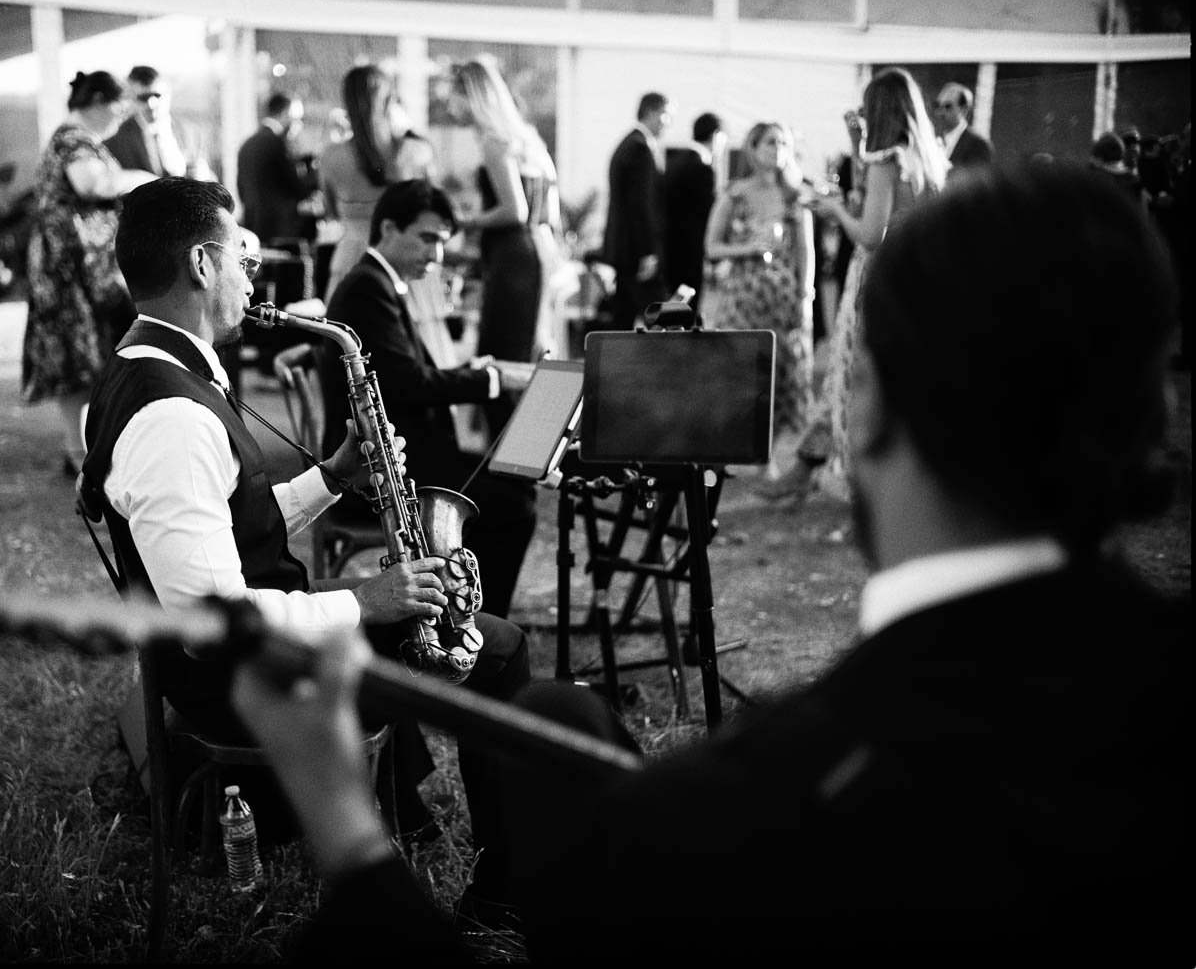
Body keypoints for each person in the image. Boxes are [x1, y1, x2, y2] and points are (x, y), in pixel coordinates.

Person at [232, 164, 1191, 965]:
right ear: (1154, 415)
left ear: (872, 418)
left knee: (561, 719)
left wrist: (345, 831)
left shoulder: (754, 814)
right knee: (563, 715)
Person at [76, 176, 531, 923]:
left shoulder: (141, 370)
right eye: (243, 263)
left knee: (390, 595)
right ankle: (504, 893)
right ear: (200, 265)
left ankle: (403, 802)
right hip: (237, 683)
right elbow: (211, 619)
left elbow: (232, 527)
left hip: (237, 652)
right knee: (501, 648)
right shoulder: (172, 420)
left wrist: (332, 477)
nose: (253, 282)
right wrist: (363, 602)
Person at [318, 180, 538, 621]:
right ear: (388, 228)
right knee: (514, 507)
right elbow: (412, 385)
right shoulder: (367, 287)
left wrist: (486, 373)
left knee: (514, 488)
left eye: (443, 242)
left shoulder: (379, 282)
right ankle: (482, 627)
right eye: (428, 239)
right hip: (377, 472)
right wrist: (493, 378)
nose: (437, 256)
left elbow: (411, 377)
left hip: (401, 455)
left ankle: (471, 619)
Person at [760, 66, 948, 503]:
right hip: (917, 285)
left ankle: (864, 488)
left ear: (880, 109)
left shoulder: (889, 161)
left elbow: (869, 234)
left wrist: (833, 211)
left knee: (856, 384)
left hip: (878, 284)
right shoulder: (928, 161)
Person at [21, 70, 158, 475]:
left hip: (81, 268)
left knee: (90, 357)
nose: (123, 114)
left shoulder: (80, 139)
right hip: (68, 269)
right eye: (119, 104)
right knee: (74, 359)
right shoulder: (73, 141)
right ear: (98, 101)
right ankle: (78, 453)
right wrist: (143, 180)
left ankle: (84, 450)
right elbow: (91, 185)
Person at [448, 58, 562, 437]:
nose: (450, 107)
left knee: (502, 356)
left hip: (513, 259)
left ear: (470, 96)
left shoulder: (495, 142)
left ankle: (510, 455)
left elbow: (516, 209)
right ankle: (536, 444)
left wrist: (467, 221)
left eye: (453, 97)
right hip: (534, 253)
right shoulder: (526, 139)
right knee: (533, 351)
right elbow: (549, 213)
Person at [702, 121, 815, 444]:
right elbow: (711, 248)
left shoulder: (795, 198)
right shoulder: (735, 194)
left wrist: (805, 297)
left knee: (783, 374)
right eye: (770, 142)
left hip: (782, 298)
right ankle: (736, 444)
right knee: (739, 371)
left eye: (783, 143)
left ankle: (769, 452)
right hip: (742, 297)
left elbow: (806, 252)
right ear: (752, 148)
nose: (777, 149)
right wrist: (747, 248)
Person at [317, 65, 435, 303]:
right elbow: (432, 211)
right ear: (390, 100)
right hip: (406, 261)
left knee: (350, 335)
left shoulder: (331, 157)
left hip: (352, 260)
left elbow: (331, 213)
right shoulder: (417, 152)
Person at [602, 92, 670, 328]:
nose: (668, 122)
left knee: (622, 318)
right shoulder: (639, 147)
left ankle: (613, 363)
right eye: (666, 115)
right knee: (662, 321)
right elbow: (641, 205)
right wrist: (648, 252)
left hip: (625, 251)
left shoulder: (629, 143)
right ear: (652, 111)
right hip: (635, 253)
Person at [237, 92, 315, 245]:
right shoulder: (277, 143)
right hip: (280, 229)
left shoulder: (247, 144)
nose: (297, 123)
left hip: (253, 223)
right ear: (285, 113)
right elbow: (296, 187)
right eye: (296, 118)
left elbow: (241, 188)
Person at [664, 111, 724, 311]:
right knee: (686, 311)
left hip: (670, 251)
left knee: (674, 307)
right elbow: (709, 214)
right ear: (715, 136)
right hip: (690, 253)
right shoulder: (701, 168)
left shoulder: (675, 162)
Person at [102, 65, 188, 179]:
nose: (151, 105)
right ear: (130, 99)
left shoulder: (189, 131)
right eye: (143, 98)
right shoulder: (115, 139)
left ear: (169, 94)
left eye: (157, 95)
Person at [933, 81, 993, 177]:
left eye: (947, 106)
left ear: (963, 110)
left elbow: (979, 186)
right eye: (937, 105)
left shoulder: (978, 145)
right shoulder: (933, 141)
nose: (940, 112)